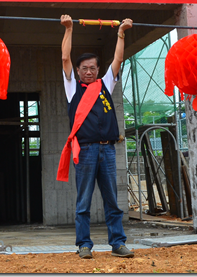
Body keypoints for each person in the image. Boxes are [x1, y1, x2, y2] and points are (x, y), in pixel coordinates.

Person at [58, 14, 134, 260]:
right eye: (84, 68)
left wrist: (121, 33)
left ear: (98, 70)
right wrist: (69, 29)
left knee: (112, 200)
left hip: (108, 150)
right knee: (84, 202)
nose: (88, 71)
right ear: (78, 72)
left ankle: (117, 243)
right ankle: (84, 245)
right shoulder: (73, 88)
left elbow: (119, 58)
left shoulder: (105, 85)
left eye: (93, 68)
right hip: (86, 151)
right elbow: (64, 57)